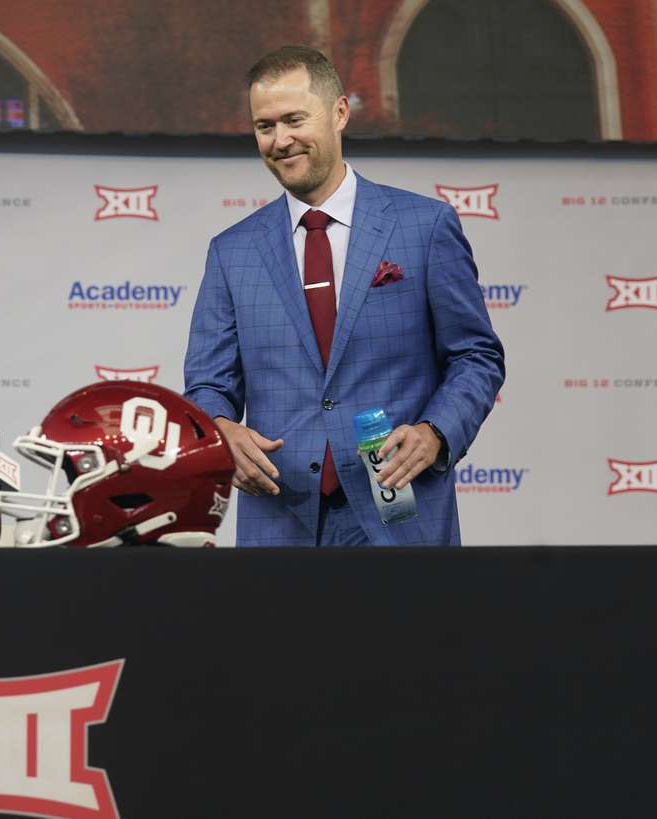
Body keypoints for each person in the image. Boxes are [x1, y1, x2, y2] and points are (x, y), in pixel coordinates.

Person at [183, 45, 504, 547]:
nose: (280, 140)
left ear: (339, 113)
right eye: (264, 126)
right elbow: (207, 384)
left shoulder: (425, 226)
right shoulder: (231, 252)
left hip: (401, 512)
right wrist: (221, 429)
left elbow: (476, 356)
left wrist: (436, 432)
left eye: (293, 120)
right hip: (279, 519)